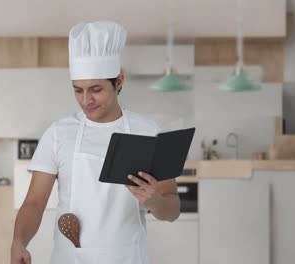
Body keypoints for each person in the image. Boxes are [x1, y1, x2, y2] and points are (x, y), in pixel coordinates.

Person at [11, 21, 180, 264]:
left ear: (119, 81)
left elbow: (172, 208)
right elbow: (35, 203)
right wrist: (19, 241)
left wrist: (155, 202)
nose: (86, 100)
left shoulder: (149, 133)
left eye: (96, 89)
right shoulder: (59, 133)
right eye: (78, 90)